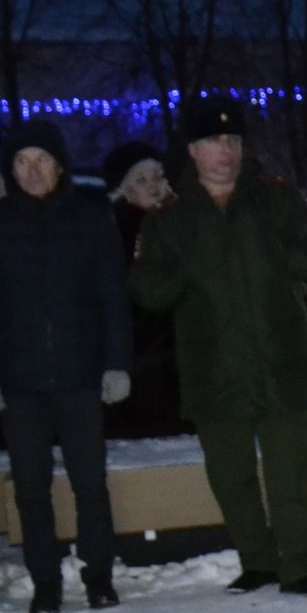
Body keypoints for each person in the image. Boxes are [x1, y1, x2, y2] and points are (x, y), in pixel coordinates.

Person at [131, 102, 307, 597]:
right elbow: (147, 291)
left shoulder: (277, 200)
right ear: (192, 152)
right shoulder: (171, 219)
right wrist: (188, 270)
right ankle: (257, 562)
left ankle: (298, 567)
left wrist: (278, 258)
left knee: (292, 474)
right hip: (213, 368)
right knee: (231, 475)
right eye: (213, 143)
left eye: (234, 143)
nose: (225, 152)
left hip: (280, 362)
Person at [0, 121, 131, 613]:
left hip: (80, 376)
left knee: (90, 483)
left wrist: (117, 364)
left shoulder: (92, 218)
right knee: (31, 488)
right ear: (10, 171)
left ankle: (99, 576)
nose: (32, 171)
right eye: (21, 163)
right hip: (19, 383)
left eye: (42, 160)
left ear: (60, 166)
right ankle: (45, 583)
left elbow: (112, 300)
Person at [102, 141, 183, 438]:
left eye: (158, 176)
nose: (154, 186)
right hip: (146, 362)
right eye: (141, 180)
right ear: (123, 190)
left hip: (182, 358)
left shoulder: (179, 222)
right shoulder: (116, 235)